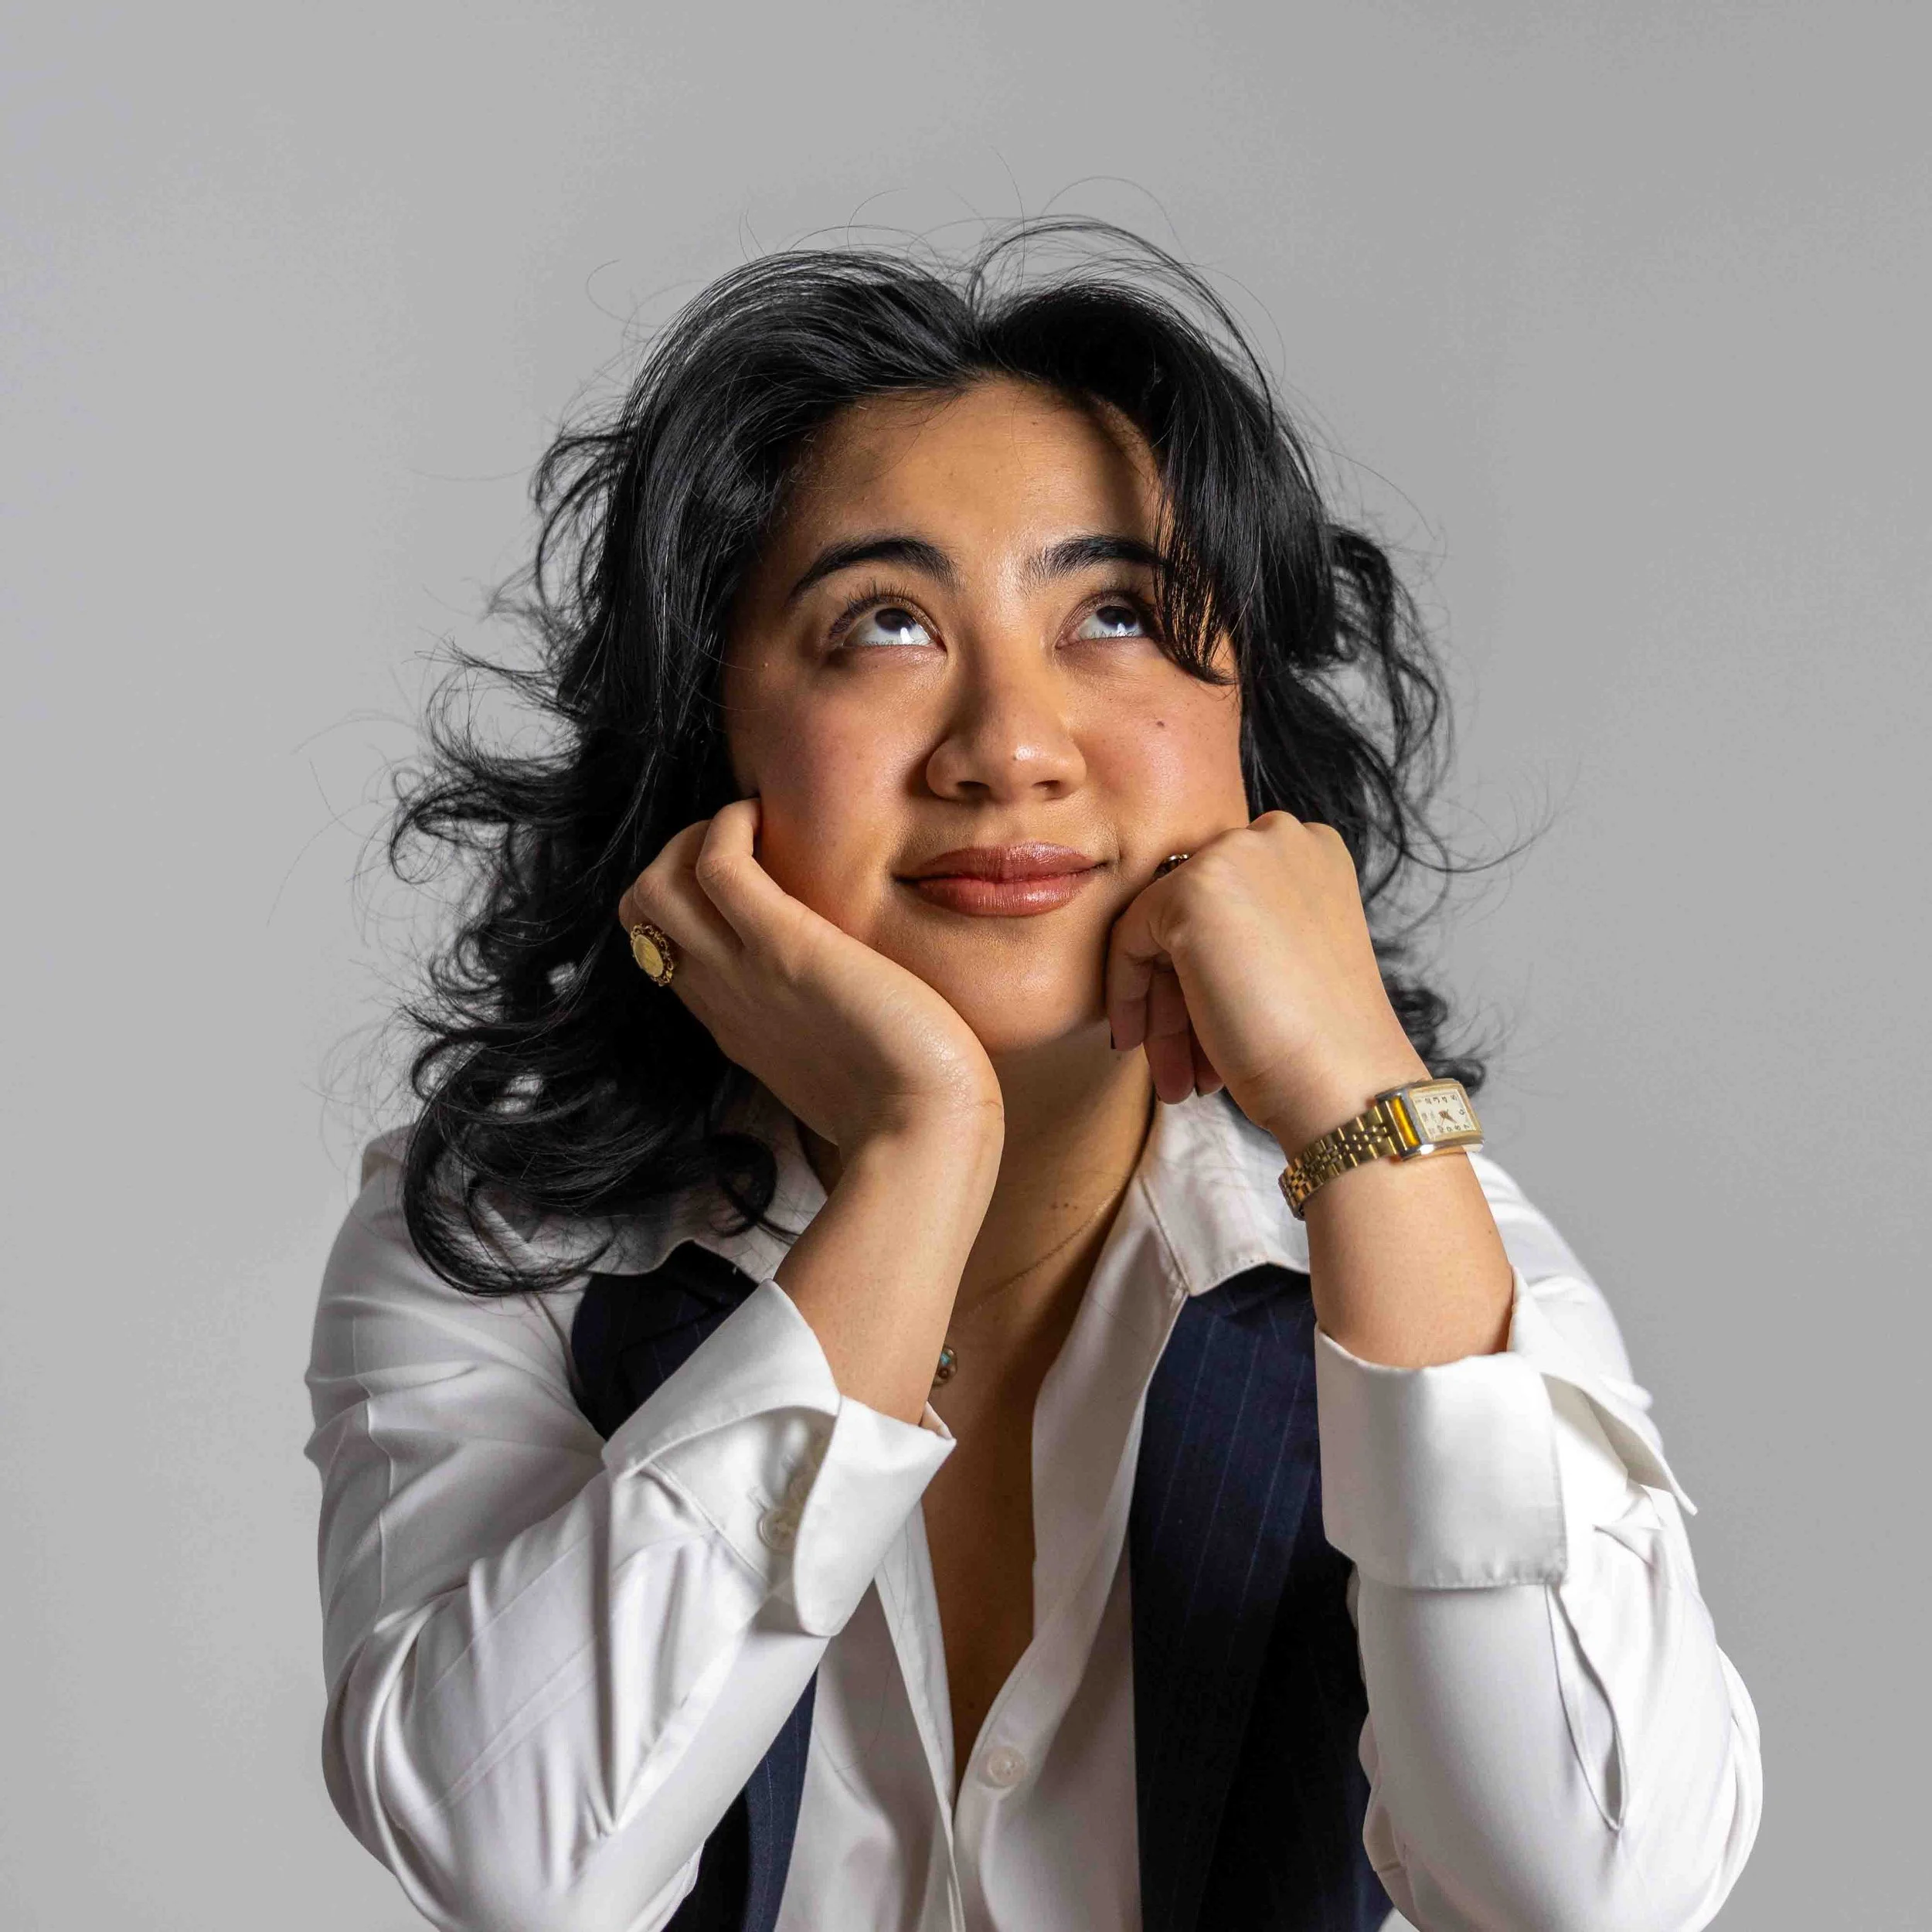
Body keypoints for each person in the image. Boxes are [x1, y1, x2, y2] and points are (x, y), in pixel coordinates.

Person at [304, 220, 1761, 1932]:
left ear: (1247, 737)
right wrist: (921, 1154)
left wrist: (1361, 1096)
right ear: (714, 732)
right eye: (884, 626)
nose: (1008, 745)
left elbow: (1587, 1885)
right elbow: (518, 1852)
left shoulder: (1414, 1241)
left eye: (1120, 615)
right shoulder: (511, 1241)